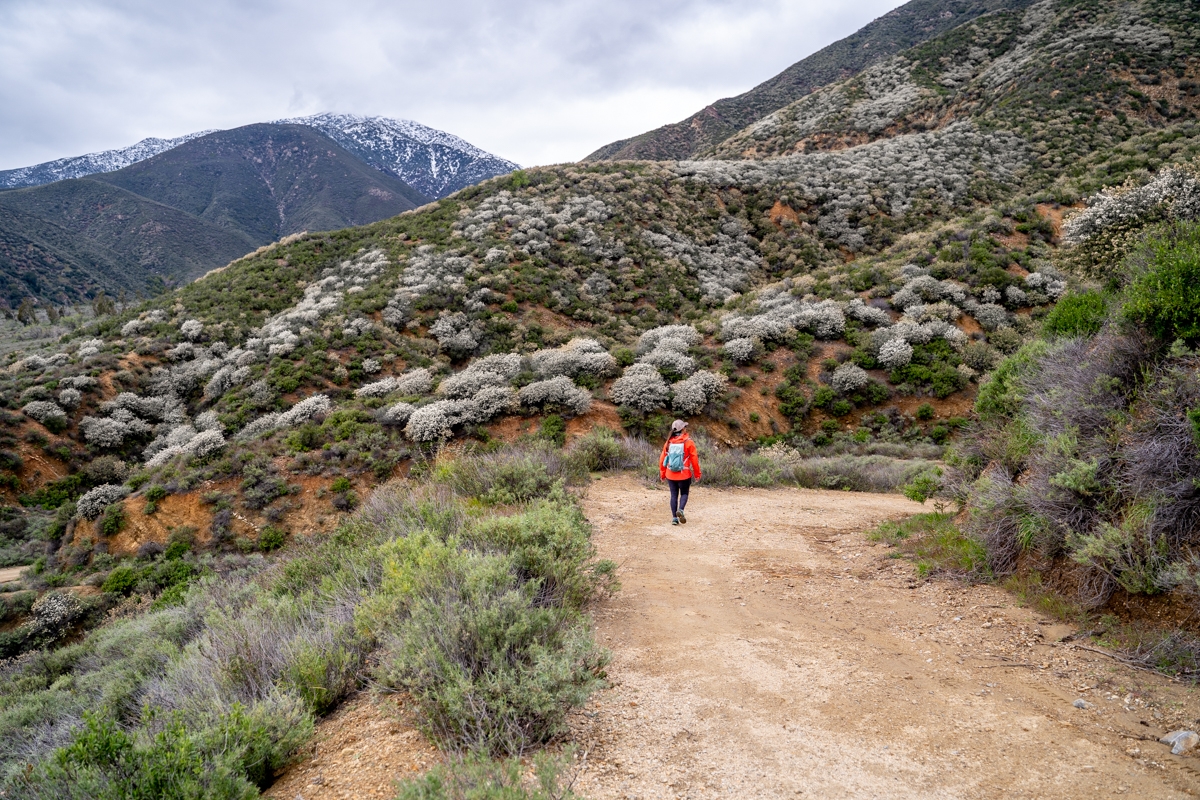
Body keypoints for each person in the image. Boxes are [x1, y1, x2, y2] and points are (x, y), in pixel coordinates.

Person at [659, 419, 701, 525]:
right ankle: (681, 510)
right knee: (684, 493)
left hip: (670, 474)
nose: (686, 429)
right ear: (682, 429)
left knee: (673, 495)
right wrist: (697, 474)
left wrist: (662, 474)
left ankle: (674, 518)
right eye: (685, 427)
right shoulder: (688, 442)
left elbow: (662, 459)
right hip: (684, 474)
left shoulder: (668, 442)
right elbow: (694, 459)